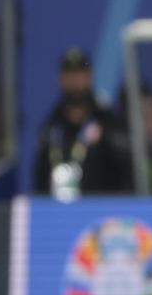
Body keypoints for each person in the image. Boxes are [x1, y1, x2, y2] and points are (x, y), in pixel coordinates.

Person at [32, 47, 129, 200]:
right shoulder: (51, 127)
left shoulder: (107, 122)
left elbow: (125, 172)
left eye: (80, 74)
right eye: (70, 74)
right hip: (59, 212)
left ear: (89, 77)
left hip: (100, 212)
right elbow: (39, 179)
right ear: (61, 79)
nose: (75, 81)